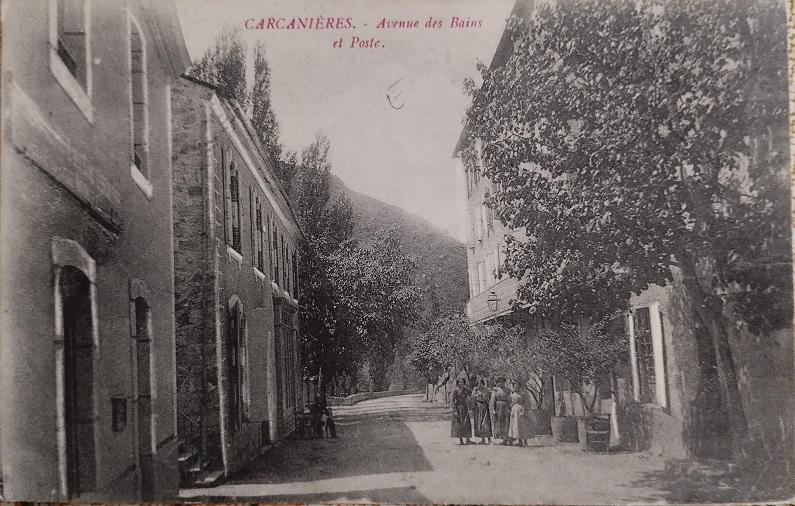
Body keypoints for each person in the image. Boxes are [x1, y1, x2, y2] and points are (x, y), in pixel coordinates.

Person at [451, 378, 473, 445]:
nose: (461, 384)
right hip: (458, 408)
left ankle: (468, 439)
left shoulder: (465, 390)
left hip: (465, 409)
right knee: (459, 424)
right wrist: (454, 410)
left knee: (467, 423)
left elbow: (470, 393)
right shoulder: (455, 391)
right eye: (459, 382)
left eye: (462, 382)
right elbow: (452, 401)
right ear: (457, 383)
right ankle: (461, 440)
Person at [489, 377, 511, 444]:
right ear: (497, 383)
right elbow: (492, 401)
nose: (501, 383)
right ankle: (503, 438)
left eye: (502, 382)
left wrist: (510, 407)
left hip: (506, 407)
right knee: (500, 423)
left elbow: (510, 399)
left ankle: (508, 438)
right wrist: (493, 410)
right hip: (499, 408)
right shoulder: (495, 390)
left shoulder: (507, 390)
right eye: (499, 382)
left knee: (507, 423)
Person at [472, 377, 493, 444]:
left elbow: (492, 394)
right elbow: (473, 399)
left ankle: (489, 438)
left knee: (486, 422)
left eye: (480, 383)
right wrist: (473, 408)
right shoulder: (475, 391)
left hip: (484, 406)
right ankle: (483, 439)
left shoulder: (486, 389)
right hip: (478, 407)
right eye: (478, 384)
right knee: (479, 422)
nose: (479, 385)